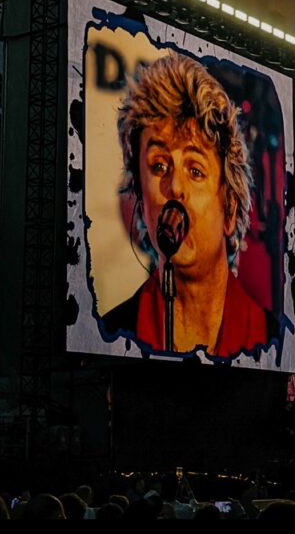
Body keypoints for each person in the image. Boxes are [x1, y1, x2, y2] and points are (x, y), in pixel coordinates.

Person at [102, 53, 272, 357]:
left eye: (195, 170)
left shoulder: (269, 340)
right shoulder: (112, 334)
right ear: (141, 202)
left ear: (230, 210)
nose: (175, 187)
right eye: (159, 166)